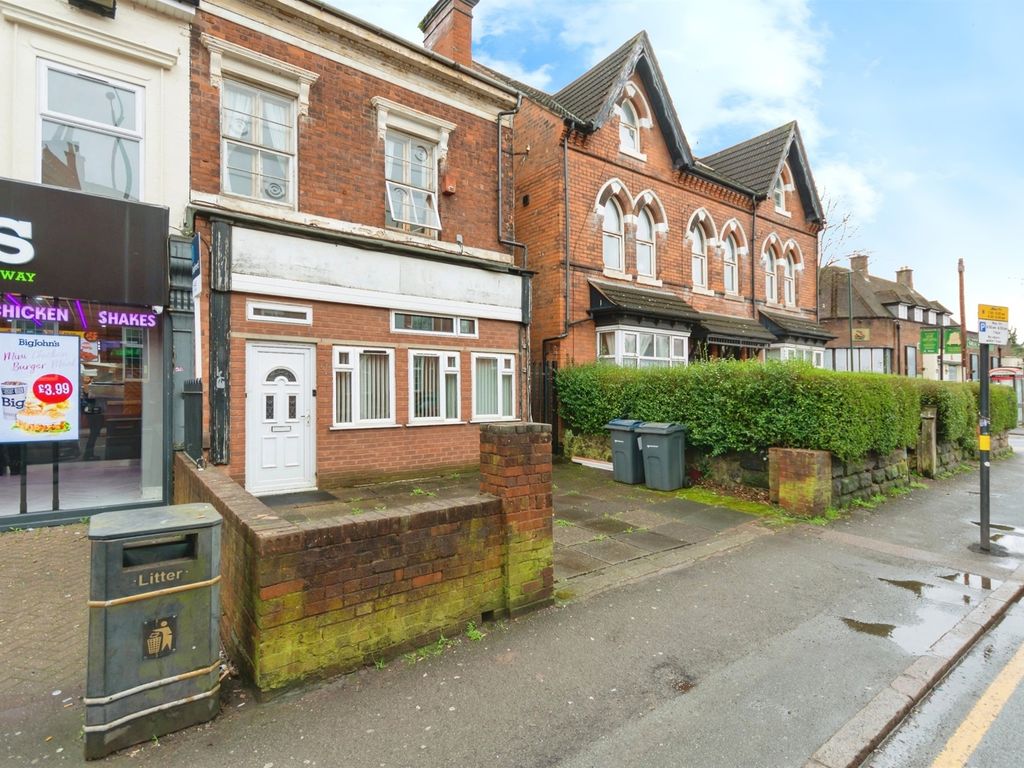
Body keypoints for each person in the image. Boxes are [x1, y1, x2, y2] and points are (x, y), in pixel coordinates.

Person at [81, 375, 105, 460]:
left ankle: (89, 454)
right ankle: (88, 455)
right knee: (94, 433)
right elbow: (90, 397)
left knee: (94, 433)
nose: (88, 379)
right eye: (86, 378)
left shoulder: (89, 386)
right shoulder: (87, 387)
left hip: (93, 412)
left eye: (89, 378)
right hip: (94, 412)